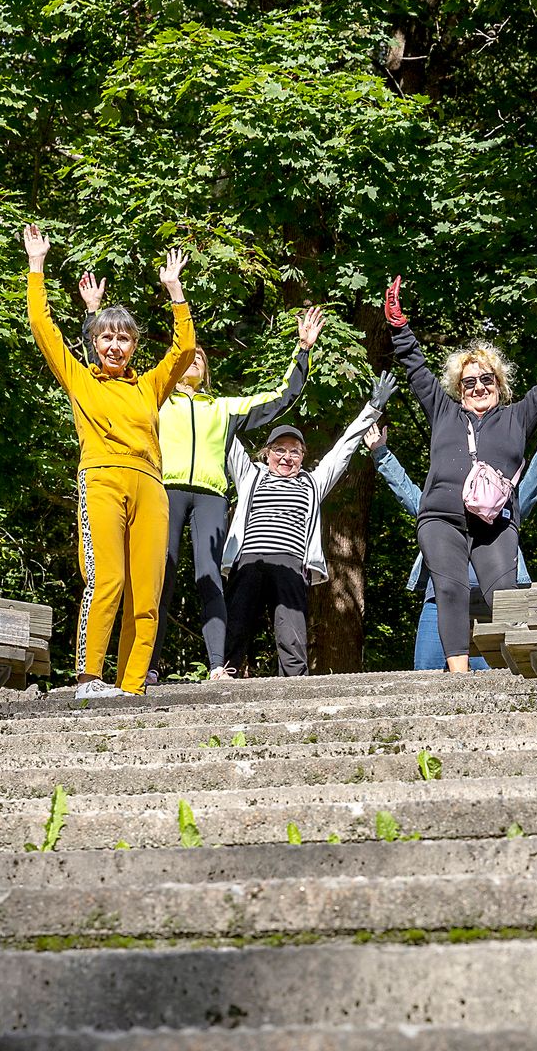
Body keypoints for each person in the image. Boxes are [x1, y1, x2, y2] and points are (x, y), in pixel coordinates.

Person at [79, 274, 325, 683]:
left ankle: (217, 666)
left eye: (199, 359)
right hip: (163, 491)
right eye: (186, 358)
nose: (192, 361)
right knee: (158, 577)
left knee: (208, 575)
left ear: (206, 371)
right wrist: (93, 313)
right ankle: (148, 667)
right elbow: (101, 385)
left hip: (211, 495)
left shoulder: (222, 408)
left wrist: (303, 351)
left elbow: (279, 399)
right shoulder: (151, 397)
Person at [23, 223, 194, 701]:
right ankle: (88, 678)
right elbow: (44, 331)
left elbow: (183, 350)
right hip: (100, 479)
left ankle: (132, 685)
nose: (115, 346)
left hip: (150, 487)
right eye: (106, 338)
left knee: (147, 593)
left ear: (134, 346)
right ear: (95, 344)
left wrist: (175, 291)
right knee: (108, 579)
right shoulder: (83, 380)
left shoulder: (149, 385)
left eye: (124, 339)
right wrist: (36, 266)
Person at [383, 275, 537, 670]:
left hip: (494, 523)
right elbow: (416, 370)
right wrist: (399, 327)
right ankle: (459, 679)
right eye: (469, 381)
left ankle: (517, 673)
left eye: (486, 379)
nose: (478, 386)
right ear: (459, 389)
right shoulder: (444, 412)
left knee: (504, 593)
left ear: (499, 383)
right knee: (450, 588)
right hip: (441, 518)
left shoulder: (516, 417)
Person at [221, 373, 397, 677]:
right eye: (279, 450)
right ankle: (224, 675)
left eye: (295, 451)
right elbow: (223, 430)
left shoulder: (313, 483)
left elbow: (345, 446)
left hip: (291, 565)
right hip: (249, 561)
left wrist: (373, 408)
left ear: (303, 457)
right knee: (236, 624)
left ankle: (293, 690)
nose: (287, 457)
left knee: (292, 636)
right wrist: (199, 394)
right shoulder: (251, 475)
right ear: (267, 453)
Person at [363, 411, 537, 670]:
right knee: (425, 677)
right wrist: (381, 453)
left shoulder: (502, 505)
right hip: (440, 601)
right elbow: (406, 491)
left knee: (501, 684)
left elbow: (533, 485)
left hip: (491, 607)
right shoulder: (438, 507)